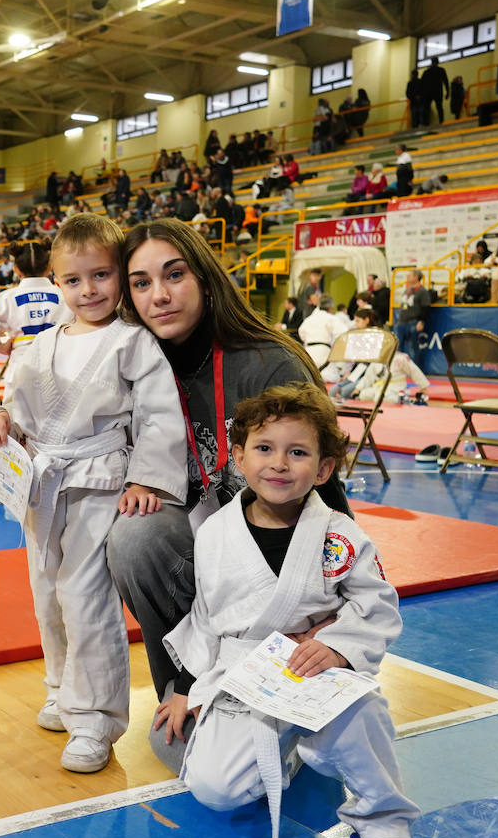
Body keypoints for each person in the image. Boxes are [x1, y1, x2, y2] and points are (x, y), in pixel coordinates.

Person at [159, 382, 418, 838]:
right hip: (243, 675)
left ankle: (384, 819)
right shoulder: (216, 532)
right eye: (264, 448)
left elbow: (377, 604)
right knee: (216, 790)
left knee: (363, 711)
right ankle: (293, 752)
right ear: (238, 458)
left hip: (317, 670)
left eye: (297, 452)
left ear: (323, 470)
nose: (278, 463)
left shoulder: (339, 535)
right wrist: (186, 686)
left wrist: (339, 647)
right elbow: (206, 618)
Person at [104, 218, 348, 731]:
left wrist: (335, 626)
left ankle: (282, 692)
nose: (160, 295)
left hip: (284, 579)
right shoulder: (131, 372)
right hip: (205, 578)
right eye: (141, 283)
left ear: (204, 278)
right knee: (135, 536)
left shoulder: (267, 365)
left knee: (293, 746)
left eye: (175, 275)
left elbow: (327, 496)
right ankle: (183, 689)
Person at [0, 214, 186, 774]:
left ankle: (96, 718)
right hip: (42, 483)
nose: (88, 290)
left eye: (101, 276)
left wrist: (147, 477)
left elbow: (160, 417)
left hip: (100, 480)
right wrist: (1, 424)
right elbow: (19, 414)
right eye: (73, 280)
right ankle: (61, 688)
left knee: (86, 597)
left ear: (119, 276)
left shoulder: (133, 342)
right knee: (45, 590)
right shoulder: (37, 347)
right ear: (54, 281)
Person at [0, 241, 68, 397]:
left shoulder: (7, 297)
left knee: (19, 419)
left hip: (21, 365)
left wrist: (1, 346)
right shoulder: (65, 295)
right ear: (50, 267)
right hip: (60, 367)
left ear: (16, 270)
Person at [332, 308, 430, 404]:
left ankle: (403, 397)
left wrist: (423, 388)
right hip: (379, 386)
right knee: (363, 395)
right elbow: (368, 377)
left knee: (380, 397)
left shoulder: (401, 358)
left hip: (396, 388)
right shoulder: (378, 359)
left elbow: (414, 371)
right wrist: (358, 389)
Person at [297, 295, 350, 377]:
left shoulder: (309, 319)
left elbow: (301, 333)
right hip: (323, 351)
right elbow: (343, 333)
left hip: (308, 351)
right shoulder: (331, 318)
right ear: (331, 308)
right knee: (329, 378)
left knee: (310, 377)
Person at [393, 270, 432, 362]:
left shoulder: (422, 291)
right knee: (399, 349)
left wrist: (421, 321)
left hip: (413, 323)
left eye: (410, 275)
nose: (407, 276)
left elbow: (426, 307)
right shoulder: (407, 290)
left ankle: (415, 370)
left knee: (414, 348)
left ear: (416, 277)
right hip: (402, 322)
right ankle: (400, 369)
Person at [421, 61, 449, 125]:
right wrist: (447, 92)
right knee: (439, 107)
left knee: (427, 108)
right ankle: (441, 121)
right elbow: (446, 81)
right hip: (437, 92)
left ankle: (426, 123)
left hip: (428, 93)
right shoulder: (441, 70)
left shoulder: (427, 71)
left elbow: (422, 83)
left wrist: (422, 94)